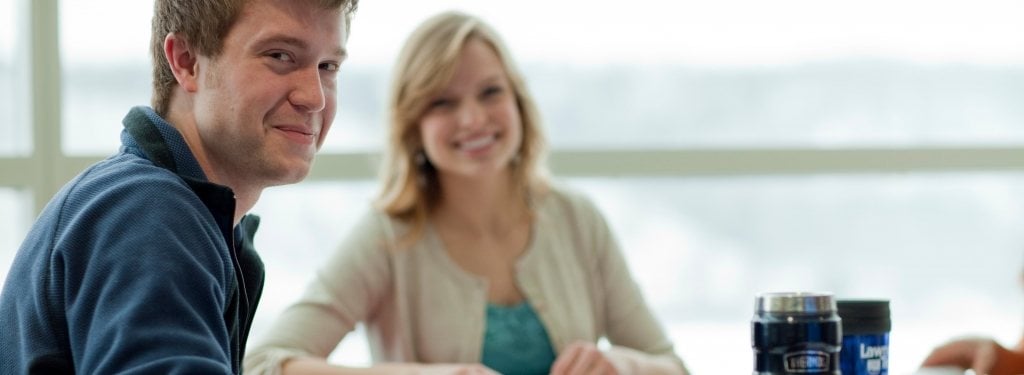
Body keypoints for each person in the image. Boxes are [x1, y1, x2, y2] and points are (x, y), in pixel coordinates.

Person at [244, 10, 689, 375]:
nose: (473, 119)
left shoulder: (577, 218)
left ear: (518, 102)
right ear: (414, 126)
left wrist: (619, 364)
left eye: (490, 92)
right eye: (443, 102)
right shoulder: (387, 237)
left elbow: (671, 366)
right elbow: (264, 364)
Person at [0, 0, 357, 373]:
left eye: (328, 67)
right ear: (186, 61)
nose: (314, 97)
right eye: (280, 56)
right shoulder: (146, 213)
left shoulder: (177, 212)